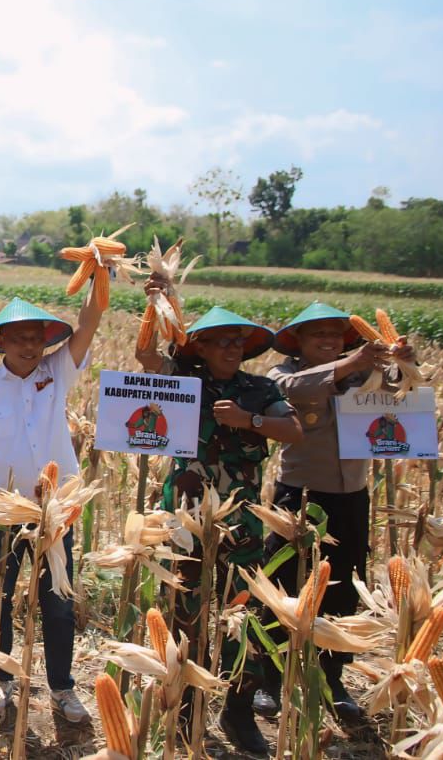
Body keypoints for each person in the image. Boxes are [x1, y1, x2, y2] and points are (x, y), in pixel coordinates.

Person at [135, 286, 303, 755]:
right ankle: (185, 706)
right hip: (185, 516)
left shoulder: (260, 390)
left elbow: (293, 430)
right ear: (200, 347)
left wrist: (248, 421)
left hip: (240, 520)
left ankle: (238, 706)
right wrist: (158, 302)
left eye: (237, 341)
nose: (231, 347)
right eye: (220, 340)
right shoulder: (183, 379)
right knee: (185, 608)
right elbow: (144, 352)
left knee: (240, 613)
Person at [0, 294, 102, 724]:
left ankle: (63, 687)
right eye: (19, 338)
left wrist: (97, 276)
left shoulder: (57, 372)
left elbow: (88, 325)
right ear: (1, 341)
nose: (29, 346)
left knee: (58, 601)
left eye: (36, 338)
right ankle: (2, 681)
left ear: (45, 341)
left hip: (56, 509)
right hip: (2, 510)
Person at [256, 302, 411, 720]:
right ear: (300, 342)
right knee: (284, 584)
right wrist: (348, 363)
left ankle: (331, 677)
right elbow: (292, 392)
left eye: (336, 335)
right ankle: (269, 679)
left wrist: (404, 366)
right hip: (301, 497)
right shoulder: (283, 374)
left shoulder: (366, 376)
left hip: (351, 498)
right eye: (317, 335)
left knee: (343, 587)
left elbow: (404, 396)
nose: (328, 341)